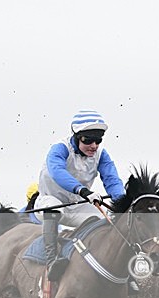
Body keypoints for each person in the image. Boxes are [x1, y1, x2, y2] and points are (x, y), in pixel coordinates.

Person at [34, 110, 125, 281]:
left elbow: (112, 180)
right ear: (76, 136)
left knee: (104, 220)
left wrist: (122, 202)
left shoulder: (101, 155)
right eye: (88, 140)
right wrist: (82, 190)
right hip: (49, 202)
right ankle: (52, 261)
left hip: (77, 205)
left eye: (98, 140)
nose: (94, 146)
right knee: (52, 208)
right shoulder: (59, 149)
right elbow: (57, 171)